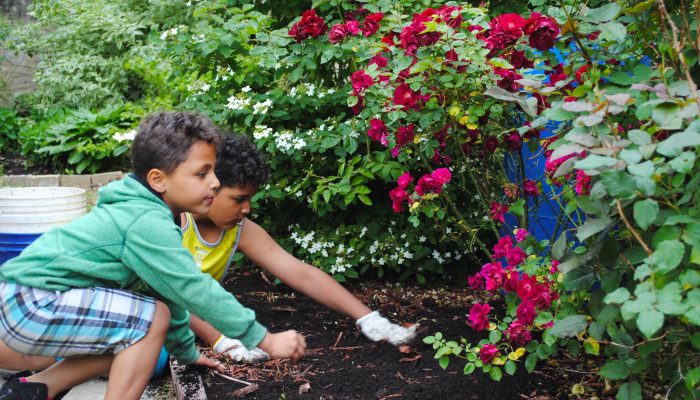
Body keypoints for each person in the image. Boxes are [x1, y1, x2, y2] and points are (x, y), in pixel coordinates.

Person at [0, 111, 306, 400]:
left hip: (25, 301)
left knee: (136, 334)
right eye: (202, 173)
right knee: (148, 321)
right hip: (34, 303)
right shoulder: (146, 221)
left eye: (213, 171)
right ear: (159, 179)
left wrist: (187, 354)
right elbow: (193, 288)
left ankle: (36, 389)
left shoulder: (148, 213)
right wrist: (264, 339)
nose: (214, 181)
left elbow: (165, 294)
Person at [182, 133, 417, 362]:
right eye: (238, 199)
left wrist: (368, 318)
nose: (247, 209)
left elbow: (302, 275)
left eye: (249, 199)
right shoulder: (174, 221)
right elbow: (166, 290)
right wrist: (221, 340)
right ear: (209, 187)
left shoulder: (239, 230)